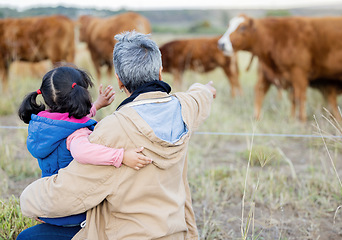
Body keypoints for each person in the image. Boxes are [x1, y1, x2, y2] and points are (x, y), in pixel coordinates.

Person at [19, 31, 216, 240]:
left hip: (125, 234)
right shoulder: (185, 107)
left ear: (119, 81)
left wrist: (27, 199)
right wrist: (206, 90)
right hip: (176, 233)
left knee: (27, 237)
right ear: (160, 73)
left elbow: (68, 194)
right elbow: (200, 96)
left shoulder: (112, 128)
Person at [17, 66, 152, 239]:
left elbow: (69, 118)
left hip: (49, 201)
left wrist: (97, 105)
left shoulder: (43, 124)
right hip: (73, 210)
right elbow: (83, 152)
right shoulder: (76, 134)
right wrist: (122, 156)